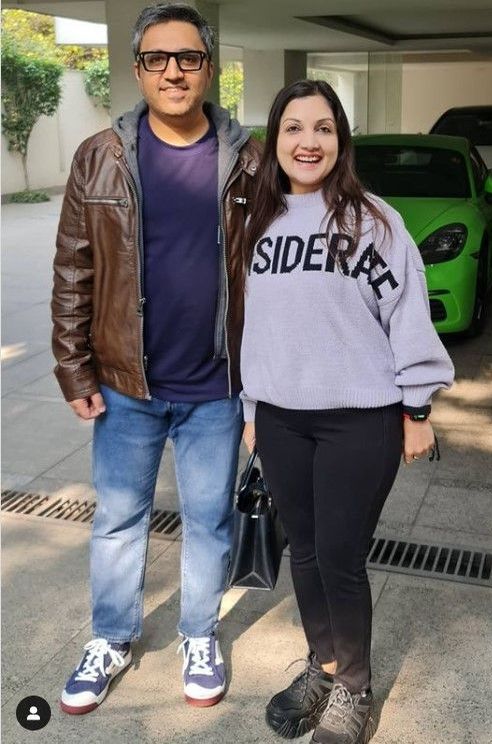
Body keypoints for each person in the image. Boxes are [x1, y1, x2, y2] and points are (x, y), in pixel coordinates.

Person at [51, 3, 259, 714]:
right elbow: (74, 269)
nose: (173, 71)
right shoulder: (99, 156)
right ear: (138, 68)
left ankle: (199, 634)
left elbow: (273, 272)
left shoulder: (247, 157)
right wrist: (73, 368)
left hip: (216, 390)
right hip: (124, 384)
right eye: (157, 59)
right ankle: (111, 636)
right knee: (117, 520)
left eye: (188, 57)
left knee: (209, 521)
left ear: (209, 65)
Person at [240, 80, 454, 744]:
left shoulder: (375, 222)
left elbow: (407, 320)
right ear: (274, 141)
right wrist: (252, 407)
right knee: (302, 550)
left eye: (323, 128)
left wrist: (416, 410)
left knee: (337, 553)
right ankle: (321, 664)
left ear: (341, 140)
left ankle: (353, 688)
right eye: (294, 128)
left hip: (358, 419)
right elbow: (256, 328)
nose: (309, 142)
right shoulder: (259, 221)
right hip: (279, 417)